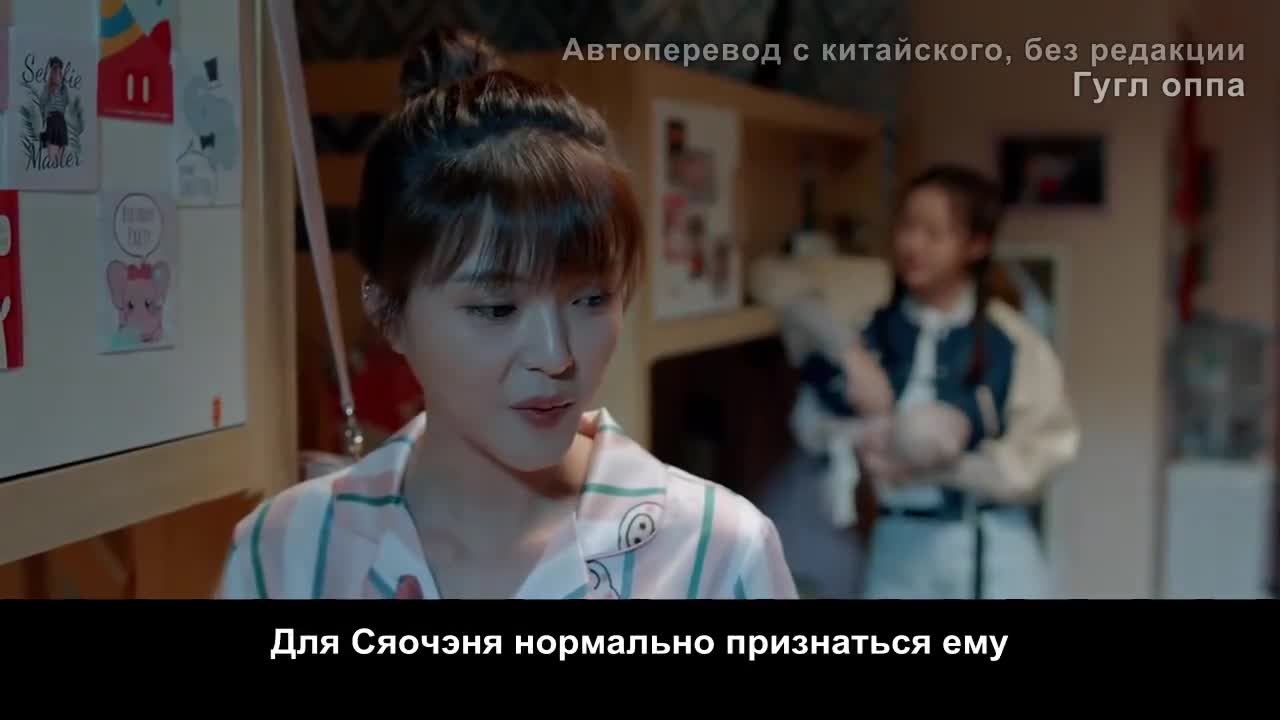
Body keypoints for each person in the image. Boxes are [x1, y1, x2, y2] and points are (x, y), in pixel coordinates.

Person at [216, 27, 797, 600]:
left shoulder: (715, 553)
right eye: (496, 308)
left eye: (591, 299)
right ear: (388, 310)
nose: (555, 356)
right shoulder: (286, 551)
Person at [801, 164, 1079, 599]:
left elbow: (1044, 451)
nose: (913, 245)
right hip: (897, 544)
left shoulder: (1011, 340)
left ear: (976, 244)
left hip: (988, 546)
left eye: (934, 233)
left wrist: (948, 469)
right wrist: (857, 441)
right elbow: (812, 421)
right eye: (906, 227)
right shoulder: (868, 331)